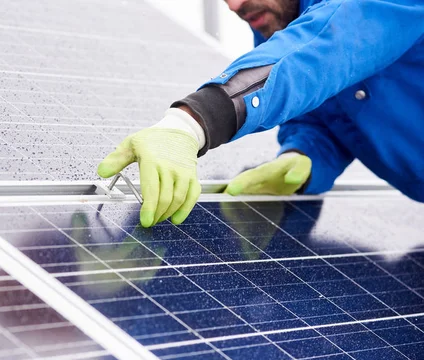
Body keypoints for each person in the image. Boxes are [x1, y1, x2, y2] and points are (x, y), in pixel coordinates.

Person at [97, 0, 424, 228]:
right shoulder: (281, 22)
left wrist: (190, 122)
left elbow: (325, 50)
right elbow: (323, 113)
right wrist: (305, 156)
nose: (233, 5)